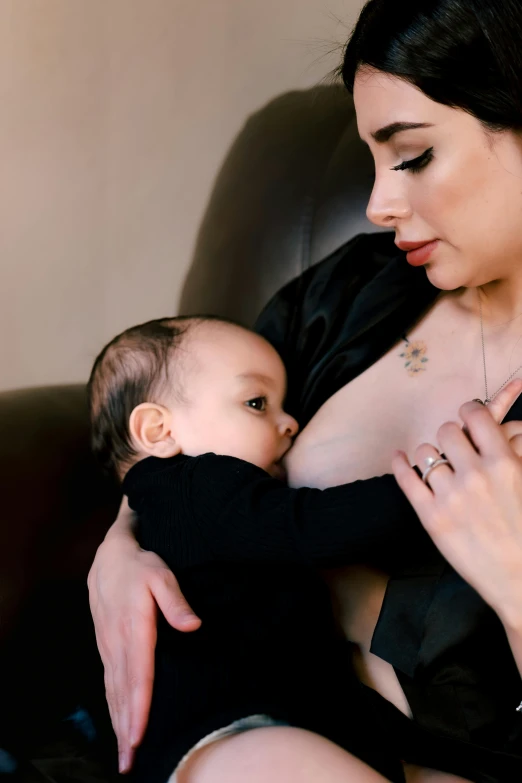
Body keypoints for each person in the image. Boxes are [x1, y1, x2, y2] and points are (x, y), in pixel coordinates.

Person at [88, 0, 522, 780]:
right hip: (224, 736)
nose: (378, 205)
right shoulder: (353, 291)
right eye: (372, 161)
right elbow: (187, 431)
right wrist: (117, 550)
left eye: (414, 156)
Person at [88, 314, 432, 782]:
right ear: (158, 431)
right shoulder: (195, 486)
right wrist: (435, 481)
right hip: (230, 734)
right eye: (256, 403)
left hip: (279, 729)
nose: (289, 422)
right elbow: (310, 525)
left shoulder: (169, 509)